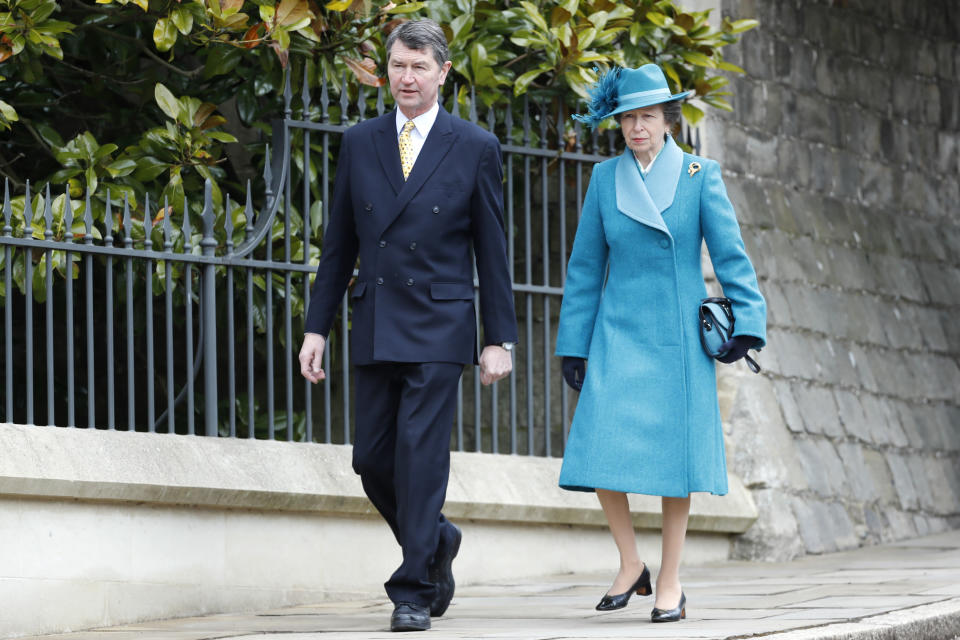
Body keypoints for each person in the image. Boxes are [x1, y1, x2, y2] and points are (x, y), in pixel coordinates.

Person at [298, 19, 518, 633]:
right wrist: (317, 327)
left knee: (421, 457)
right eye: (399, 65)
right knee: (372, 460)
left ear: (443, 73)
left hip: (442, 322)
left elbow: (492, 250)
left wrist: (498, 338)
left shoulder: (473, 145)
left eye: (420, 67)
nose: (408, 78)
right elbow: (337, 244)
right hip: (375, 316)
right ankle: (437, 539)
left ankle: (412, 589)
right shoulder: (360, 141)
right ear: (385, 71)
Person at [555, 64, 766, 623]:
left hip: (677, 338)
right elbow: (584, 269)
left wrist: (747, 323)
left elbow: (731, 258)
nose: (637, 127)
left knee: (678, 462)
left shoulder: (701, 175)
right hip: (616, 332)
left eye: (647, 116)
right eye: (628, 117)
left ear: (667, 119)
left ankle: (670, 579)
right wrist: (573, 344)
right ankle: (631, 563)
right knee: (597, 444)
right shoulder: (605, 179)